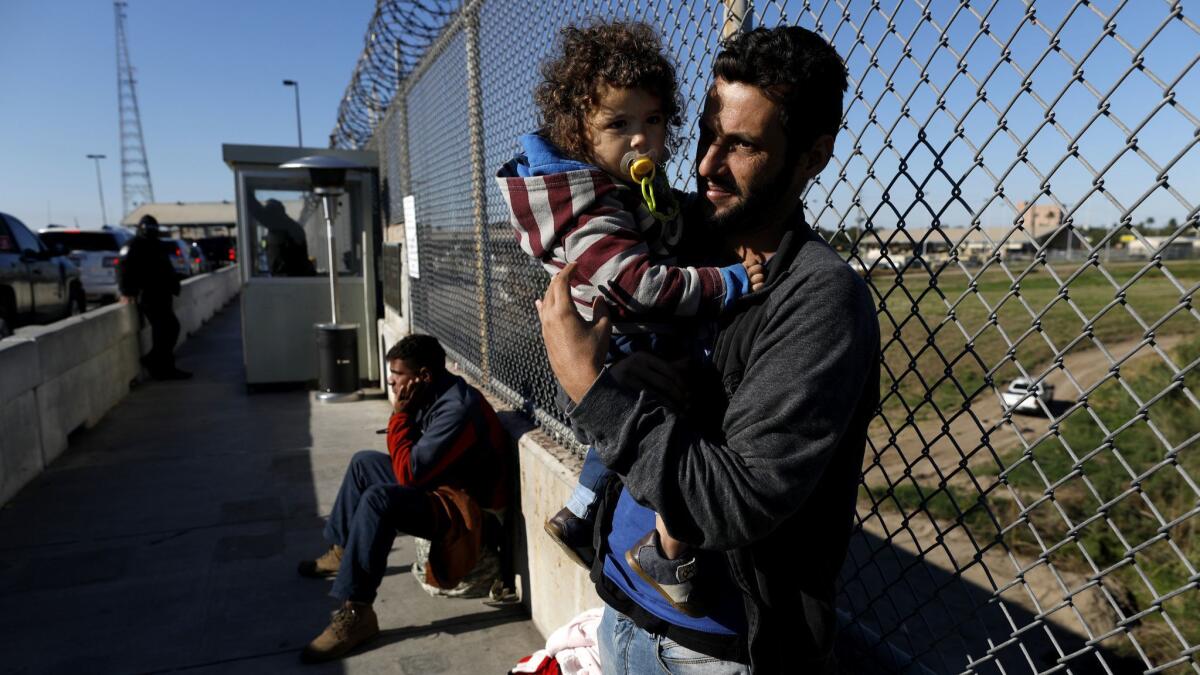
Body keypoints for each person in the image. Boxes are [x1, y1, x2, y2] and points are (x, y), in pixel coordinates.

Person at [535, 26, 880, 673]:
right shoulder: (668, 241)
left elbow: (733, 502)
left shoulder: (819, 299)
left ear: (813, 156)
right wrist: (588, 375)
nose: (705, 166)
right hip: (620, 612)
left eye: (742, 145)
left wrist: (593, 386)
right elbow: (578, 381)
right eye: (705, 135)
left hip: (714, 651)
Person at [494, 19, 764, 616]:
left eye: (653, 121)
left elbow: (657, 230)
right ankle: (668, 547)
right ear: (579, 136)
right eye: (618, 125)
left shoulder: (617, 187)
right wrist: (729, 281)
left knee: (644, 422)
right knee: (678, 414)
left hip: (619, 334)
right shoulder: (589, 208)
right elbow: (640, 283)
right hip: (617, 336)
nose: (641, 140)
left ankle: (583, 512)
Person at [296, 334, 511, 663]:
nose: (392, 382)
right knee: (363, 464)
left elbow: (410, 474)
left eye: (397, 376)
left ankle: (358, 612)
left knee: (379, 500)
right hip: (443, 489)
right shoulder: (432, 392)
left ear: (423, 376)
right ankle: (344, 551)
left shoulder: (457, 409)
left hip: (471, 514)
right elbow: (414, 467)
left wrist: (399, 415)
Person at [118, 215, 191, 380]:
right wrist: (126, 291)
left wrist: (174, 279)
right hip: (149, 295)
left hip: (162, 293)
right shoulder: (134, 245)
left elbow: (162, 268)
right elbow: (123, 268)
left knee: (168, 329)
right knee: (166, 328)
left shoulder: (156, 244)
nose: (151, 232)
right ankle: (158, 363)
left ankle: (161, 364)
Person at [247, 195, 316, 276]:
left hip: (291, 278)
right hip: (294, 277)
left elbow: (257, 212)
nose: (266, 215)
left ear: (274, 213)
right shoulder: (288, 226)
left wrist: (247, 193)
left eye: (268, 211)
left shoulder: (280, 225)